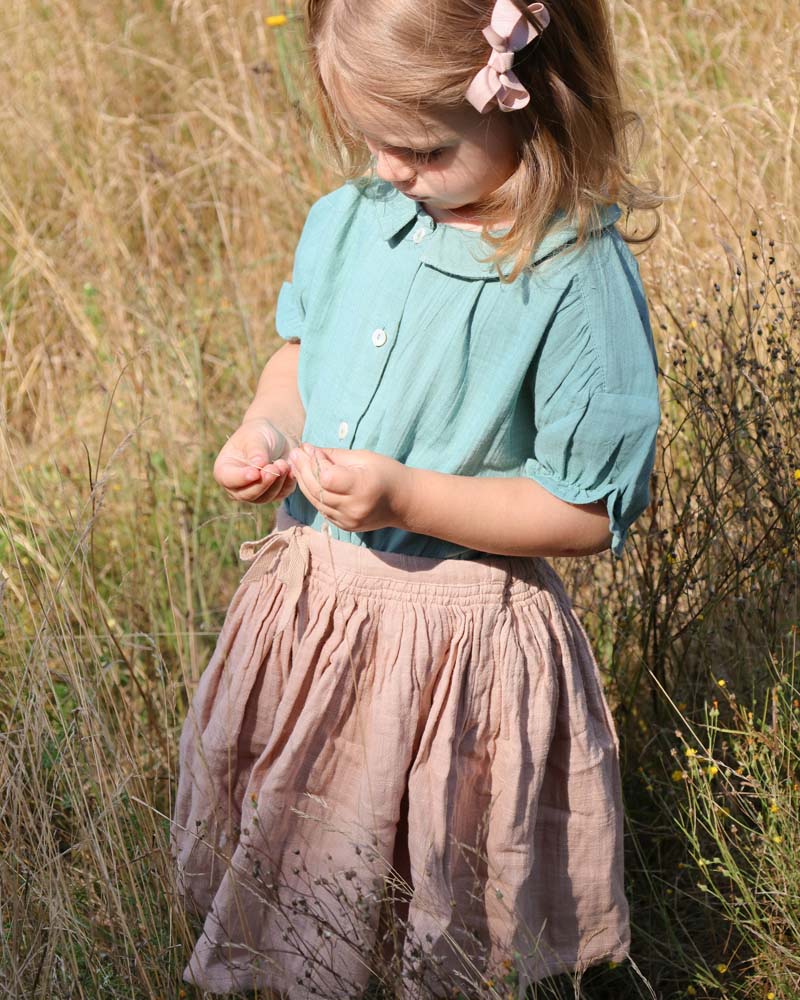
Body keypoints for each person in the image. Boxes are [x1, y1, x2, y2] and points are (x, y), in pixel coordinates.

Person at [171, 0, 662, 996]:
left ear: (531, 101)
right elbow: (301, 359)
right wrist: (267, 430)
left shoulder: (570, 271)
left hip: (451, 651)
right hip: (312, 608)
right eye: (373, 140)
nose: (393, 169)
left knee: (426, 881)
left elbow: (585, 509)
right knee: (303, 859)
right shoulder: (354, 219)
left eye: (425, 149)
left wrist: (408, 498)